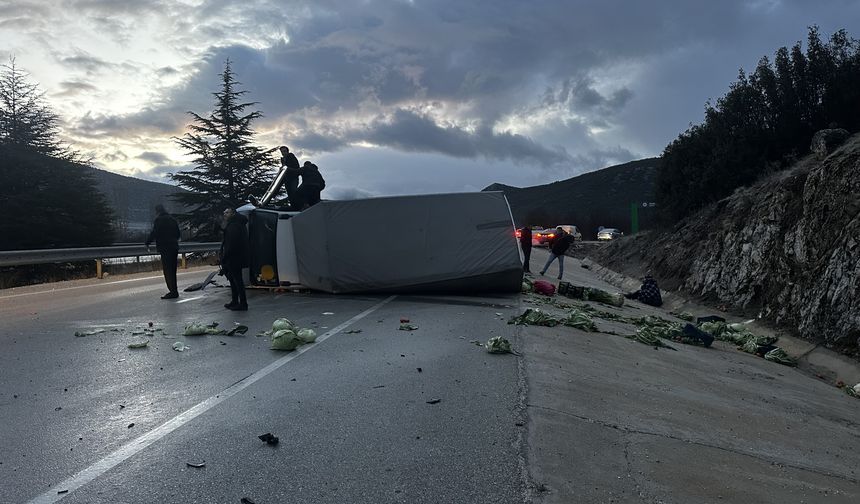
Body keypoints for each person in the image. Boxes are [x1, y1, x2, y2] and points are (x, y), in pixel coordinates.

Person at [145, 204, 180, 299]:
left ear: (157, 211)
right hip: (174, 247)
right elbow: (178, 234)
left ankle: (173, 292)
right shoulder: (172, 219)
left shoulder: (159, 220)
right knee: (173, 270)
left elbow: (155, 233)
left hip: (165, 248)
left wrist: (148, 242)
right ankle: (174, 290)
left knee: (167, 271)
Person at [220, 207, 250, 311]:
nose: (225, 214)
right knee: (234, 280)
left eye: (227, 212)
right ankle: (235, 301)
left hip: (234, 257)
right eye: (224, 212)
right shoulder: (238, 224)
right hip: (238, 256)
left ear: (233, 213)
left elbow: (231, 244)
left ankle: (242, 303)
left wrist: (225, 257)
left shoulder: (233, 226)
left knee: (237, 281)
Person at [279, 146, 302, 210]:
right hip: (286, 179)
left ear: (287, 151)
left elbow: (296, 167)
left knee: (293, 192)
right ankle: (293, 206)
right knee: (289, 192)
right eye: (281, 151)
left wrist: (286, 168)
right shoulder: (283, 159)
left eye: (284, 151)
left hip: (293, 178)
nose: (283, 153)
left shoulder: (291, 157)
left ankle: (297, 206)